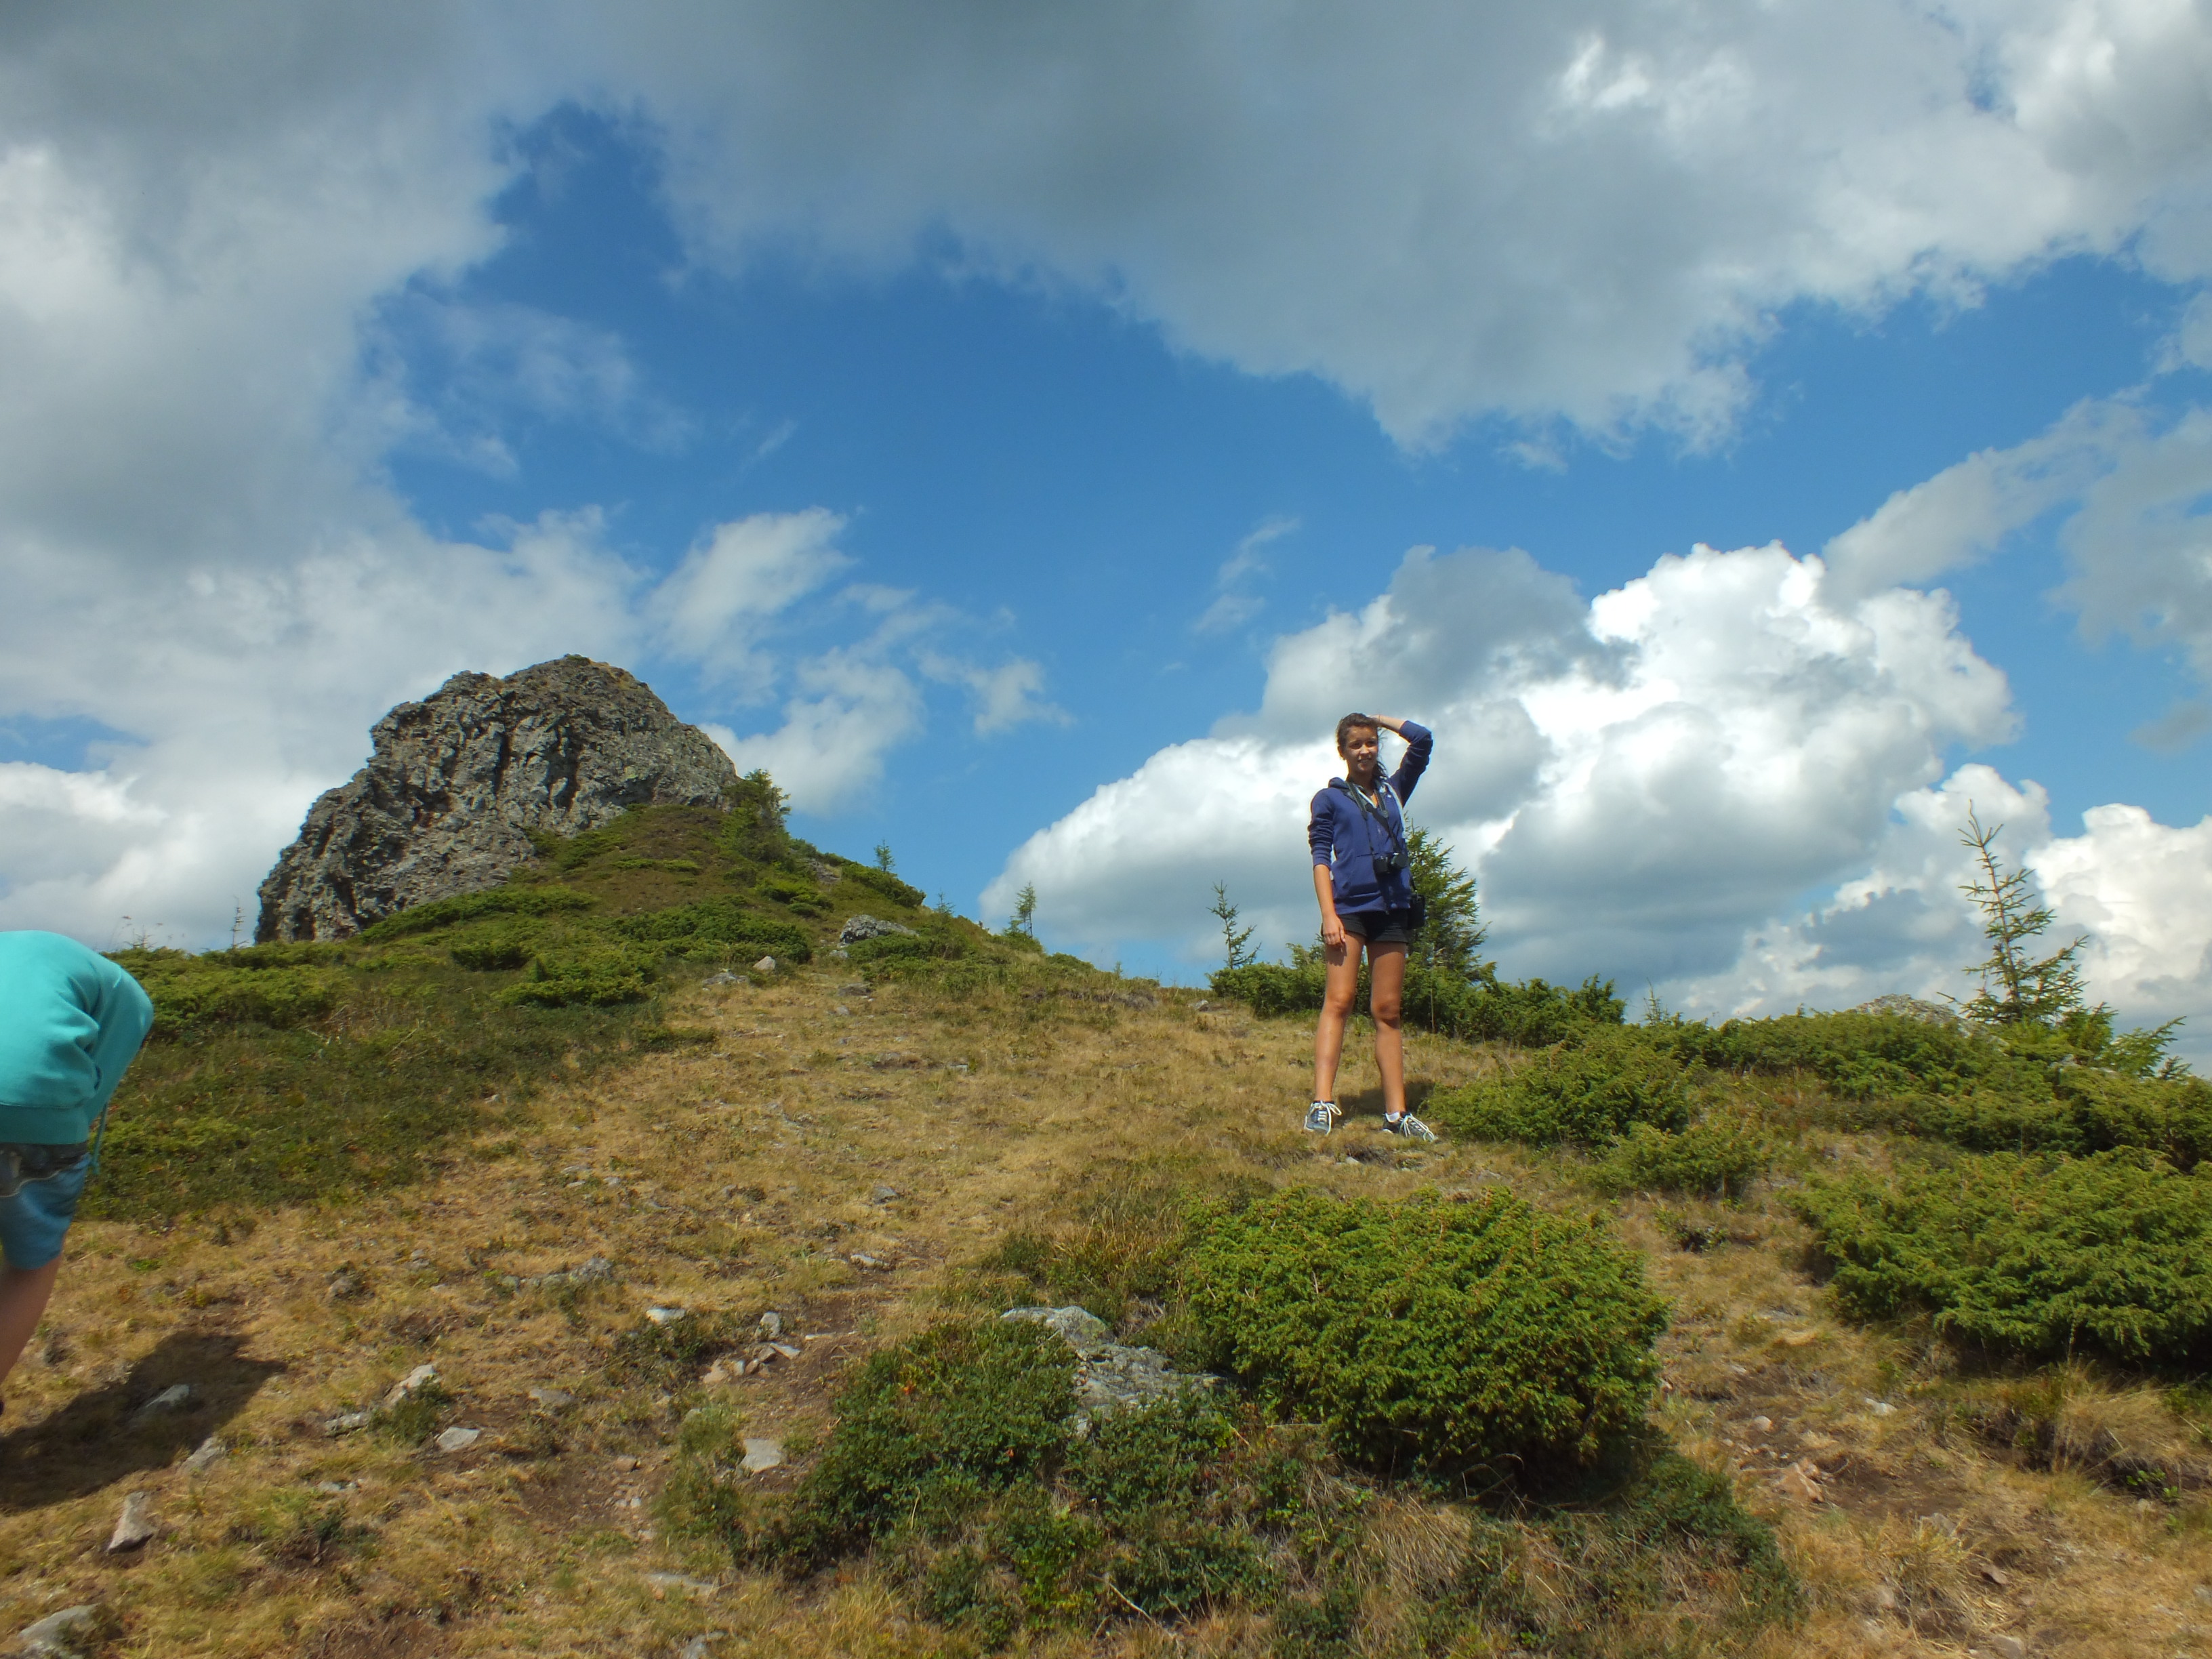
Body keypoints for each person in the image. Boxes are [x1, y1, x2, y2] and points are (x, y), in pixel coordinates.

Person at [0, 930, 155, 1393]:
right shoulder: (114, 983)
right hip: (39, 1114)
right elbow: (109, 1062)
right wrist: (69, 1128)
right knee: (32, 1263)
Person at [1306, 713, 1438, 1141]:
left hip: (1393, 909)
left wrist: (1377, 718)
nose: (1365, 751)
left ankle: (1397, 1114)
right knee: (1339, 1001)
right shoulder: (1329, 799)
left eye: (1371, 742)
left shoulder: (1394, 791)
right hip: (1349, 910)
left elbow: (1422, 741)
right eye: (1356, 744)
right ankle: (1322, 1102)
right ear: (1342, 751)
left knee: (1388, 1011)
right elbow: (1321, 858)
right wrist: (1329, 915)